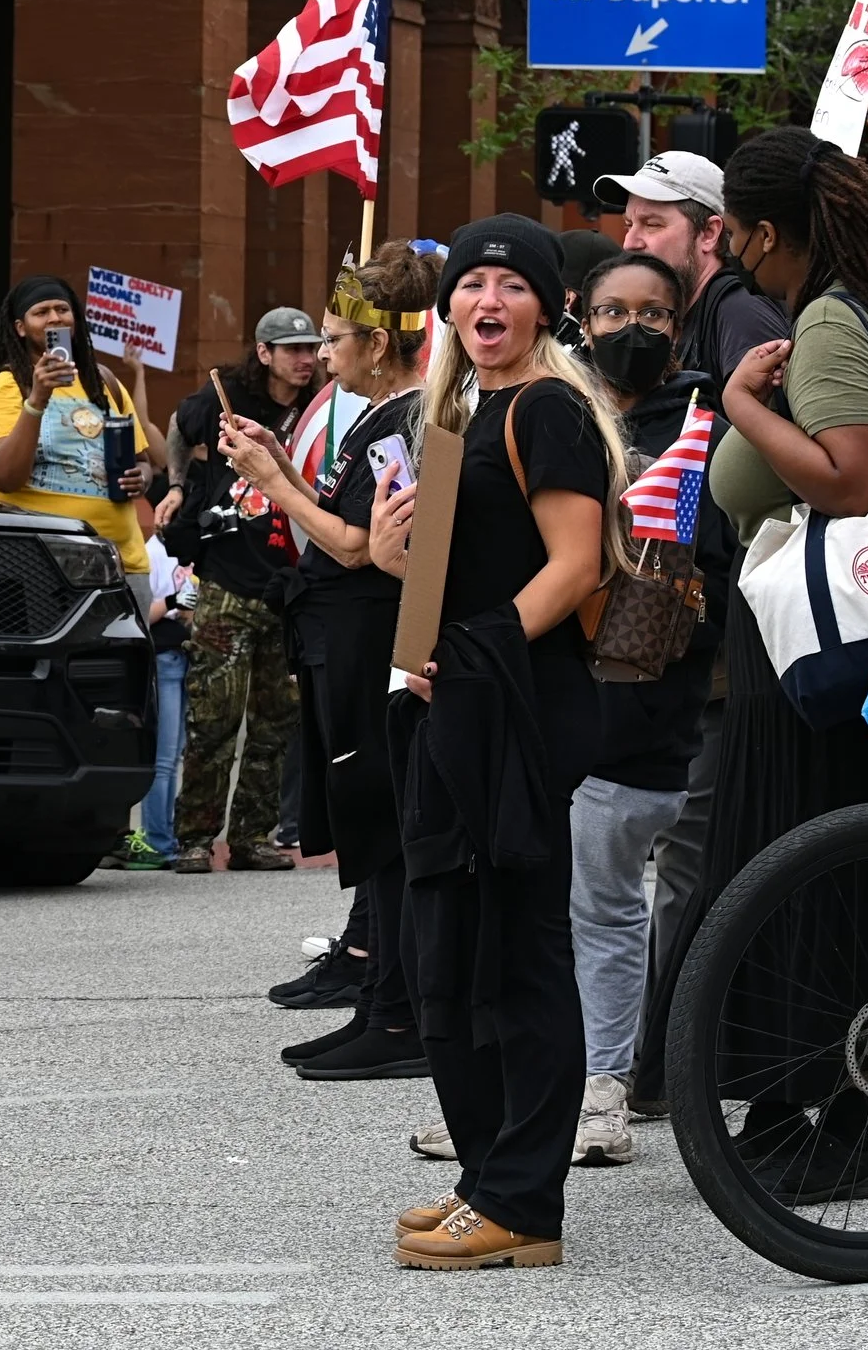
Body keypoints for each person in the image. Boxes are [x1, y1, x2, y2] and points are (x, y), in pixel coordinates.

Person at [680, 125, 868, 1205]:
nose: (729, 254)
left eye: (732, 235)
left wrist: (741, 406)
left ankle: (818, 1120)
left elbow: (850, 478)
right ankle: (825, 1114)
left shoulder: (838, 316)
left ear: (763, 232)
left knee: (801, 867)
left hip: (823, 638)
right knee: (856, 872)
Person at [369, 212, 625, 1269]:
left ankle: (524, 1201)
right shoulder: (464, 413)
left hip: (516, 709)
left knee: (518, 953)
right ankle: (488, 1176)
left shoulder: (549, 408)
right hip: (458, 706)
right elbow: (449, 576)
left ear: (546, 307)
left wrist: (474, 652)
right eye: (473, 283)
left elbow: (576, 566)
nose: (490, 300)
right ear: (449, 307)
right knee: (451, 951)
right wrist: (393, 557)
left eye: (512, 285)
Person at [219, 243, 435, 1078]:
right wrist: (278, 464)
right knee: (369, 826)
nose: (324, 351)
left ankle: (399, 1015)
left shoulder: (407, 420)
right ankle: (380, 999)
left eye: (336, 337)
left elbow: (359, 546)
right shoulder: (378, 415)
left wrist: (272, 483)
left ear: (379, 344)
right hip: (347, 640)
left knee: (386, 827)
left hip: (377, 644)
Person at [560, 253, 735, 1167]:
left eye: (655, 314)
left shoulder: (706, 423)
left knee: (607, 904)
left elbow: (715, 561)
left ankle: (604, 1089)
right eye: (612, 311)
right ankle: (537, 1091)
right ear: (581, 319)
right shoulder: (556, 408)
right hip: (545, 692)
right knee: (546, 907)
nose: (633, 330)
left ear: (680, 325)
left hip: (645, 702)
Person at [148, 308, 320, 873]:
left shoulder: (322, 406)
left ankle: (251, 837)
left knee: (276, 721)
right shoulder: (229, 396)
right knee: (213, 717)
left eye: (310, 348)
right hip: (227, 579)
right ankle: (195, 839)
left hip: (288, 583)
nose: (305, 359)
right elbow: (178, 425)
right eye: (291, 349)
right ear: (264, 352)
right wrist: (177, 485)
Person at [0, 275, 150, 602]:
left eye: (62, 309)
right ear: (21, 328)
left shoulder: (103, 381)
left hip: (121, 563)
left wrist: (141, 478)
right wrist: (37, 399)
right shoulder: (3, 385)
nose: (55, 318)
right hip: (36, 564)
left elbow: (143, 462)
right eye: (41, 312)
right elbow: (5, 477)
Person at [599, 150, 790, 393]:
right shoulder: (675, 314)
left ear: (709, 233)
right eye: (629, 225)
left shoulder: (741, 313)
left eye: (652, 224)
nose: (629, 243)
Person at [104, 531, 191, 870]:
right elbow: (141, 614)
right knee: (163, 757)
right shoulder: (151, 552)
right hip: (164, 656)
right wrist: (172, 602)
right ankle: (157, 840)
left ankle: (165, 836)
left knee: (176, 754)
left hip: (187, 656)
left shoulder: (191, 553)